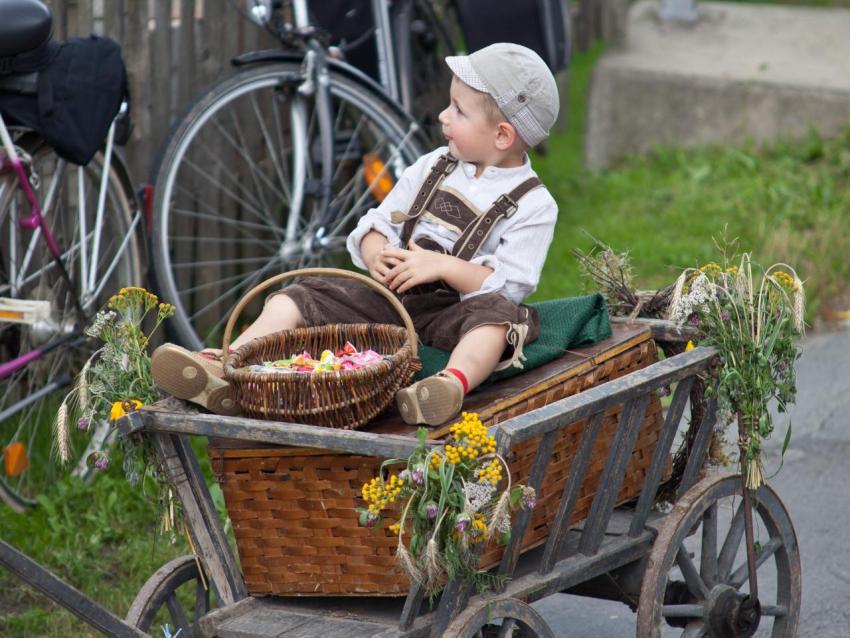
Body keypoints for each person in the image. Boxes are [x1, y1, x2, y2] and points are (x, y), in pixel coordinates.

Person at [151, 42, 560, 426]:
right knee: (301, 294)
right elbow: (377, 222)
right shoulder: (435, 165)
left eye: (458, 110)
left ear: (502, 135)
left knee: (498, 321)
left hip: (456, 313)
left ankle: (448, 385)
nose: (443, 116)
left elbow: (510, 284)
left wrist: (442, 266)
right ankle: (224, 363)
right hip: (392, 302)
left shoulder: (532, 203)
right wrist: (376, 250)